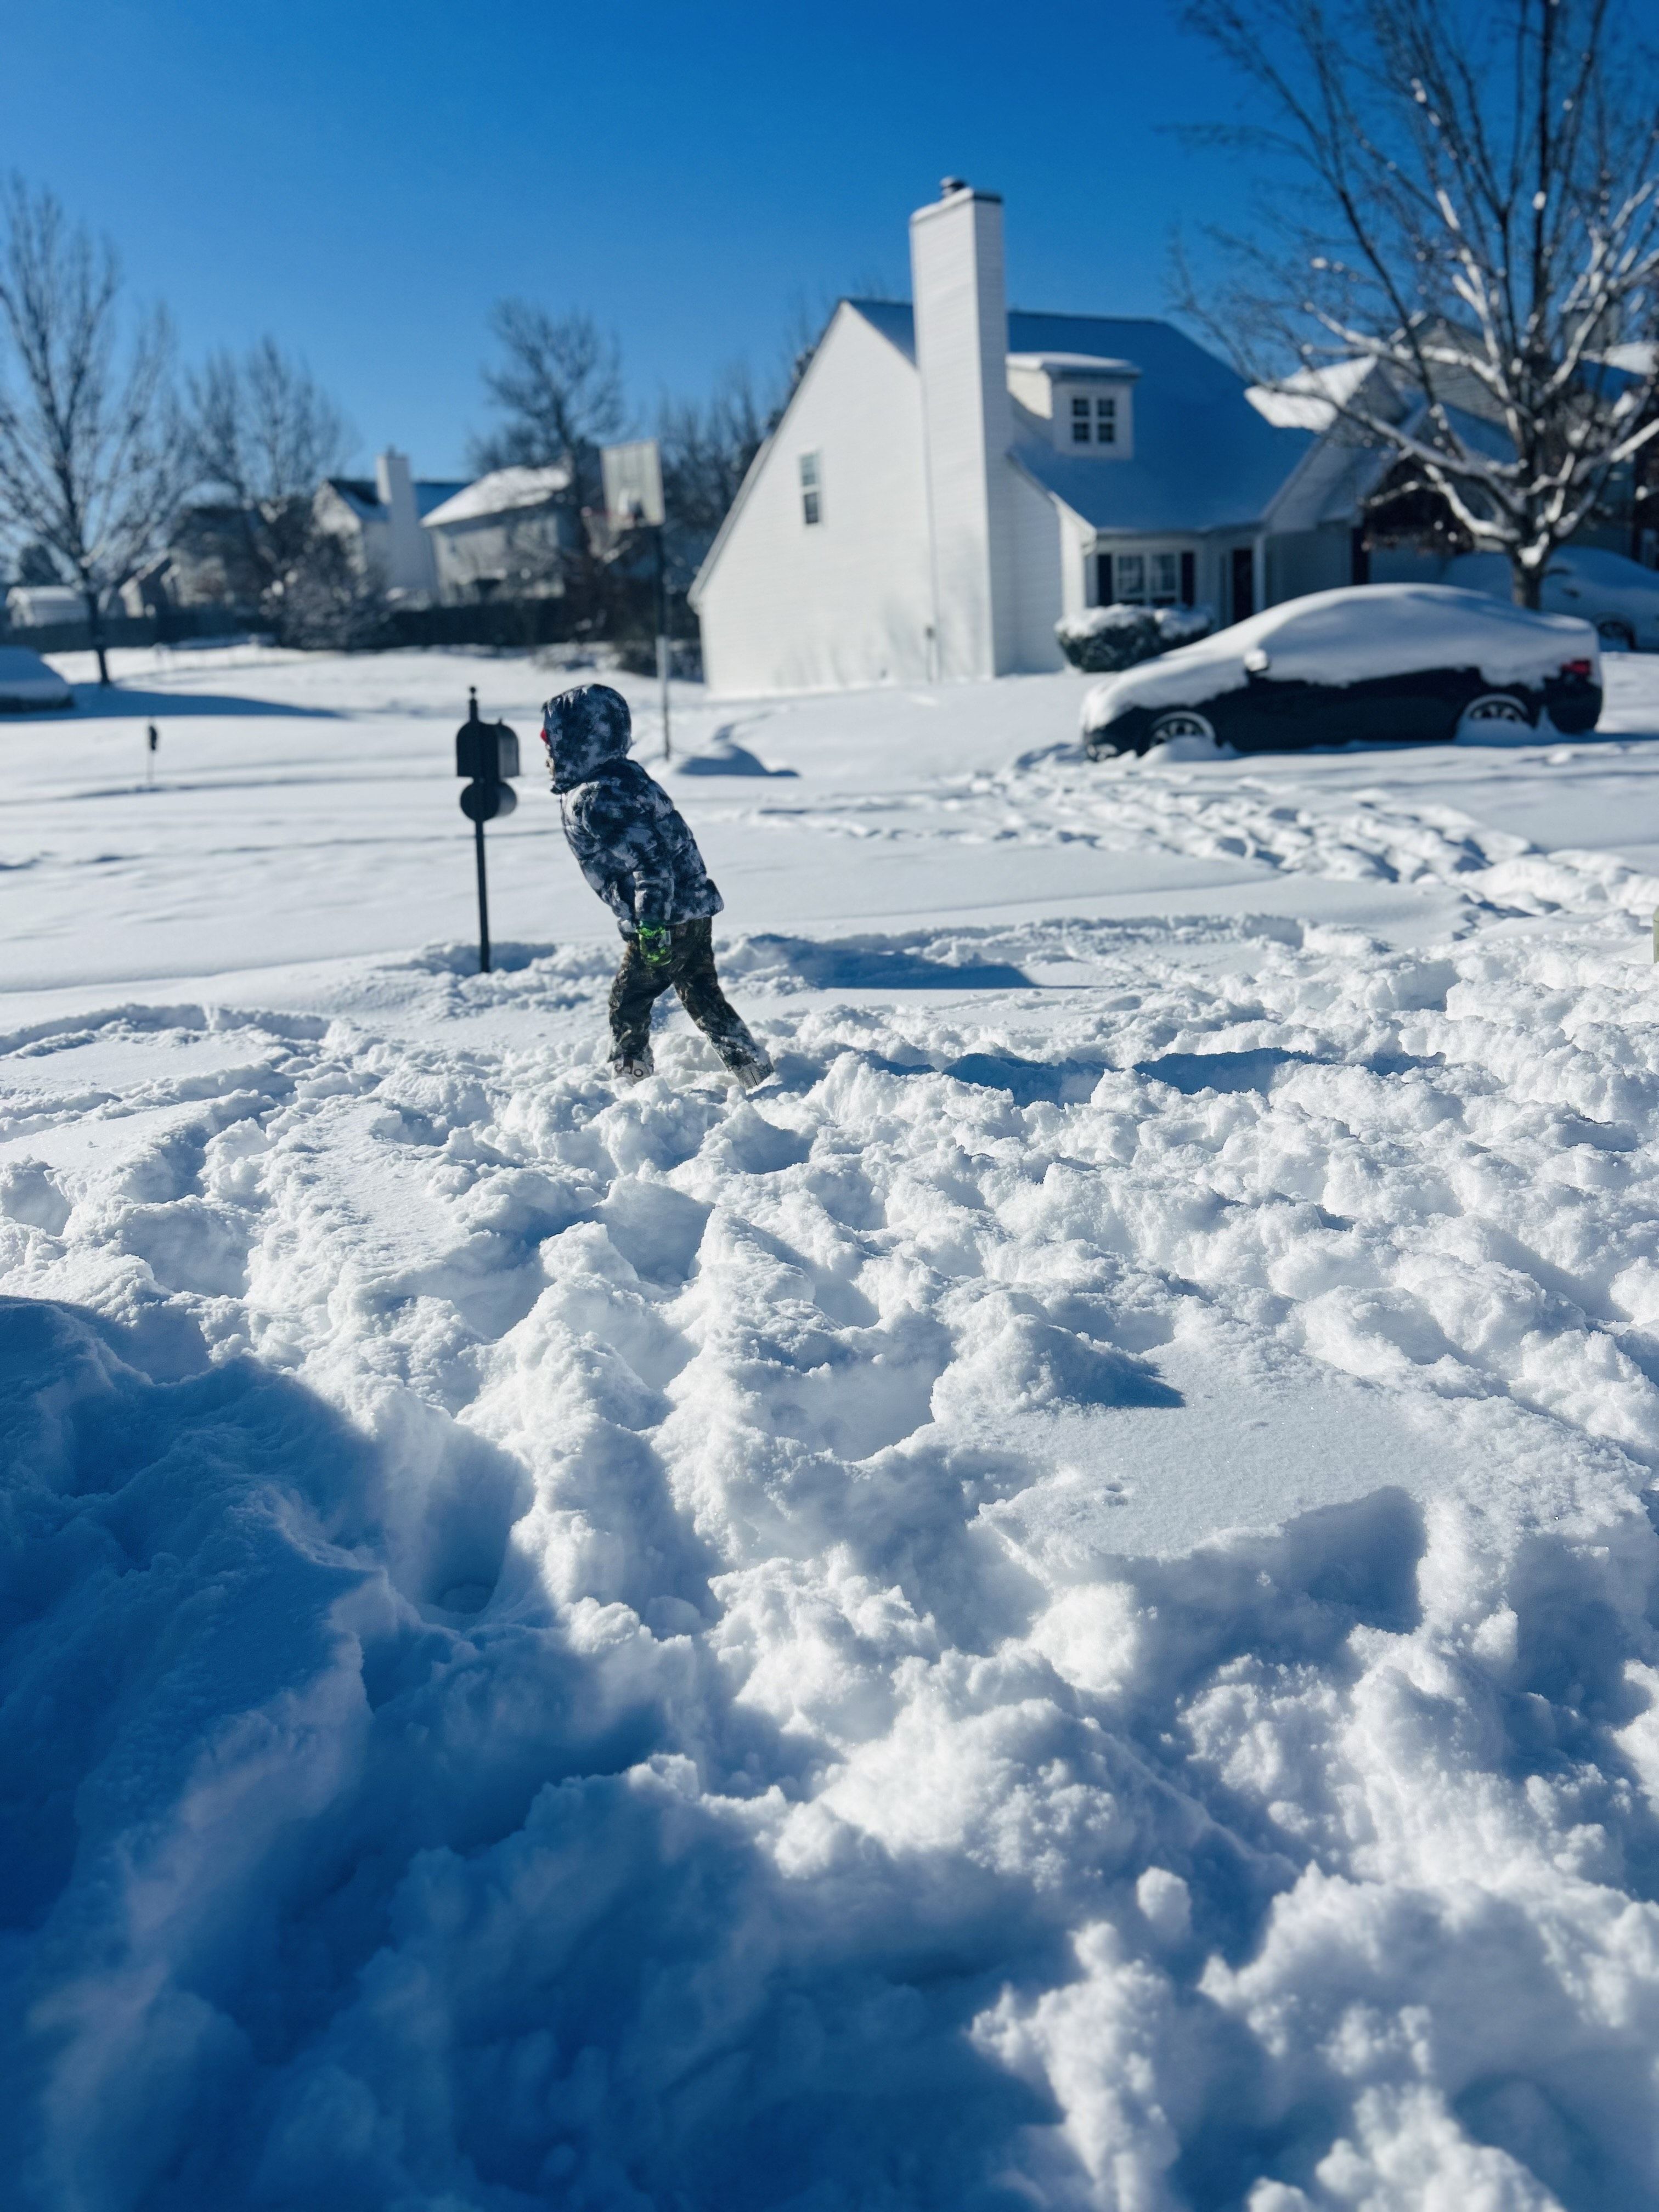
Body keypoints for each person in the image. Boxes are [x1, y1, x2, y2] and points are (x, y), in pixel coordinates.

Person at [541, 682, 774, 1089]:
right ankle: (752, 1068)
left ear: (575, 742)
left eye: (551, 740)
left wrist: (651, 924)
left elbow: (652, 862)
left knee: (628, 1002)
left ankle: (632, 1080)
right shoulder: (626, 777)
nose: (546, 752)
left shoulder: (595, 799)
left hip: (663, 916)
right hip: (692, 906)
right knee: (701, 994)